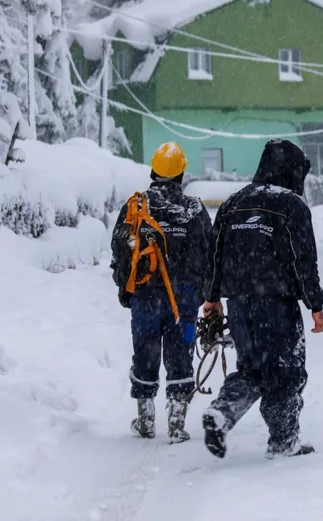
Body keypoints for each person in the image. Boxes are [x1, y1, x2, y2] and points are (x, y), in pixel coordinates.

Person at [200, 138, 323, 459]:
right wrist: (316, 305)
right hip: (277, 304)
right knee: (285, 372)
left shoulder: (233, 203)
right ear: (292, 171)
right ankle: (284, 442)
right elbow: (304, 260)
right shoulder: (291, 205)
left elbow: (215, 254)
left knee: (251, 370)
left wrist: (212, 297)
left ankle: (222, 412)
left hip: (240, 302)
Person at [110, 142, 213, 443]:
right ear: (181, 174)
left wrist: (125, 289)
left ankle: (145, 419)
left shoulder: (137, 206)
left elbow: (119, 249)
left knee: (145, 349)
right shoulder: (193, 209)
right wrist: (205, 293)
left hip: (145, 295)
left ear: (154, 171)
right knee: (180, 352)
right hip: (184, 296)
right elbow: (209, 252)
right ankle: (177, 422)